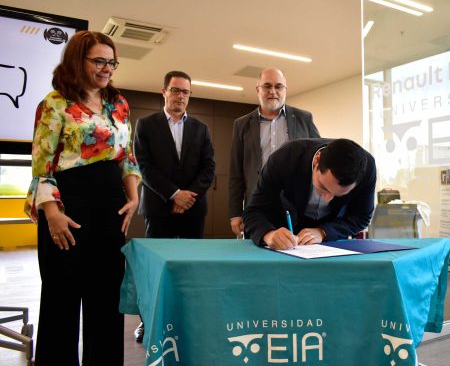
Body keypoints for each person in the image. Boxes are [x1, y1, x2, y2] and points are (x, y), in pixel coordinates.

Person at [24, 31, 141, 365]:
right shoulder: (54, 103)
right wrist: (52, 214)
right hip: (67, 206)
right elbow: (42, 165)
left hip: (111, 207)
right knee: (61, 300)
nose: (107, 69)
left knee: (106, 300)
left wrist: (133, 197)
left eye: (112, 62)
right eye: (99, 61)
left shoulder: (119, 104)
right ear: (78, 60)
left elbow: (127, 156)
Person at [132, 70, 215, 341]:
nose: (180, 96)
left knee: (192, 267)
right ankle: (148, 321)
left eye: (185, 92)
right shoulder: (146, 125)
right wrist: (174, 194)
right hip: (159, 208)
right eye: (176, 90)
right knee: (156, 268)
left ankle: (189, 319)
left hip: (193, 209)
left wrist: (188, 196)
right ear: (164, 92)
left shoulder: (201, 128)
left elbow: (208, 168)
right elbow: (144, 167)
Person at [229, 68, 320, 238]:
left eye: (278, 86)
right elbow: (236, 172)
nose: (273, 91)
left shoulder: (304, 119)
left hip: (297, 207)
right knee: (257, 251)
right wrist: (235, 213)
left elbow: (319, 161)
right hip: (258, 206)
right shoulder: (241, 125)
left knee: (297, 251)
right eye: (267, 86)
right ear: (258, 90)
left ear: (285, 89)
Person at [243, 138, 376, 249]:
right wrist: (269, 234)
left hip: (331, 242)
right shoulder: (285, 158)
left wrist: (323, 232)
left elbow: (362, 217)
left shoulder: (367, 169)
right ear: (317, 160)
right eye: (323, 187)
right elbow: (254, 211)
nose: (327, 199)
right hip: (284, 235)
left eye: (338, 194)